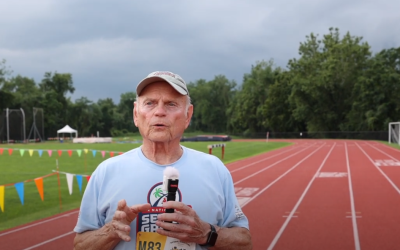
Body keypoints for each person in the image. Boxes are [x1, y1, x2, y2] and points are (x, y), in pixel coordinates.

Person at [73, 71, 252, 250]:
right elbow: (79, 246)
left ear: (188, 115)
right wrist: (111, 231)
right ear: (136, 114)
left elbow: (244, 243)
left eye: (171, 104)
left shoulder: (214, 170)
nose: (159, 112)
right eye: (150, 103)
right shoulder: (106, 172)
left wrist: (207, 233)